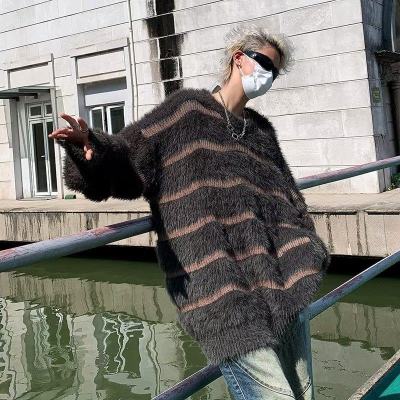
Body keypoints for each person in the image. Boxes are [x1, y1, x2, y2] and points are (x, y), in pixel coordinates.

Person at [49, 25, 330, 400]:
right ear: (239, 59)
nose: (269, 75)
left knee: (303, 392)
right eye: (264, 63)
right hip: (217, 291)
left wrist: (307, 251)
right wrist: (93, 149)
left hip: (280, 282)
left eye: (275, 71)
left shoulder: (260, 132)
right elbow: (130, 159)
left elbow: (289, 201)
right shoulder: (186, 111)